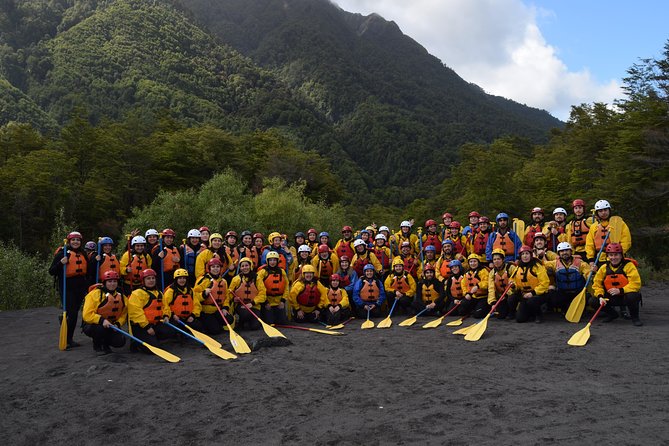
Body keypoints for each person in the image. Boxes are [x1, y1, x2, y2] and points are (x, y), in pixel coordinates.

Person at [49, 231, 89, 349]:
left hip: (80, 286)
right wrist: (61, 263)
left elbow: (88, 269)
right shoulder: (63, 253)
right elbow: (51, 271)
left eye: (78, 240)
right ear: (69, 241)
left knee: (75, 312)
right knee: (71, 313)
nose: (76, 242)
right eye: (73, 240)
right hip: (67, 286)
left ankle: (69, 335)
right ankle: (68, 339)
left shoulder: (83, 253)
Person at [590, 243, 643, 326]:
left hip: (624, 296)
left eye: (616, 255)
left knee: (633, 296)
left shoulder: (629, 266)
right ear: (607, 256)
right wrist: (600, 296)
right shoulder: (604, 267)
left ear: (621, 255)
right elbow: (597, 284)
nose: (613, 258)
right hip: (610, 297)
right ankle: (613, 314)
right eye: (611, 255)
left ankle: (635, 317)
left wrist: (620, 290)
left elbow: (635, 283)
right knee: (593, 301)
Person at [81, 270, 127, 354]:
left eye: (114, 281)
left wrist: (118, 324)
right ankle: (97, 346)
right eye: (109, 281)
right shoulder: (94, 295)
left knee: (120, 341)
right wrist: (102, 320)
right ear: (104, 282)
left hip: (112, 325)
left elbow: (124, 314)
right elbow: (87, 315)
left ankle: (106, 344)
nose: (112, 284)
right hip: (93, 325)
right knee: (100, 329)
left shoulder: (122, 297)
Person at [127, 269, 173, 351]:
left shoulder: (159, 293)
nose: (151, 280)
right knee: (152, 349)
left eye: (153, 278)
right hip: (140, 326)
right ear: (143, 281)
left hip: (155, 323)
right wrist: (147, 326)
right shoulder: (137, 294)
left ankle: (152, 339)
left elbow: (165, 306)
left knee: (169, 332)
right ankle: (137, 343)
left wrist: (166, 315)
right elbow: (136, 313)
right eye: (148, 279)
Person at [507, 246, 550, 323]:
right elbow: (512, 280)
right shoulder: (518, 267)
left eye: (527, 253)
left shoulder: (537, 266)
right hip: (524, 294)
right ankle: (513, 313)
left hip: (538, 294)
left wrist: (533, 293)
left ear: (530, 255)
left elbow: (545, 283)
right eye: (523, 254)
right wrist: (513, 286)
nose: (525, 256)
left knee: (532, 301)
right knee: (520, 318)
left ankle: (538, 315)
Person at [544, 242, 590, 314]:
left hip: (577, 293)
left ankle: (578, 308)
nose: (564, 253)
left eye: (566, 250)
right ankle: (564, 308)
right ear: (559, 253)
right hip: (563, 292)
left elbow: (588, 273)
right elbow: (542, 264)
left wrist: (591, 273)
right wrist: (540, 256)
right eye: (562, 251)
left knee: (588, 297)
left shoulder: (581, 263)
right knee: (551, 293)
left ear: (571, 251)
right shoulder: (555, 263)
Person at [195, 258, 235, 334]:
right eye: (213, 267)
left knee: (230, 319)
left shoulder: (223, 281)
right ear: (209, 269)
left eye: (217, 267)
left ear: (220, 268)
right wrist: (204, 293)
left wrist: (225, 308)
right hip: (206, 311)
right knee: (215, 331)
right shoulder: (204, 280)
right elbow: (195, 296)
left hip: (218, 309)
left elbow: (226, 297)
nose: (215, 269)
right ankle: (205, 324)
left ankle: (215, 323)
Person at [586, 199, 632, 264]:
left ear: (609, 211)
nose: (603, 213)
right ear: (597, 213)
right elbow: (589, 244)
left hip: (617, 259)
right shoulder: (594, 227)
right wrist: (591, 259)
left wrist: (618, 255)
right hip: (599, 259)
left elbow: (626, 241)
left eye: (605, 210)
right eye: (600, 211)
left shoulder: (619, 223)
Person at [228, 257, 266, 331]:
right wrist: (233, 298)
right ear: (240, 268)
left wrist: (252, 303)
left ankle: (249, 322)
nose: (244, 268)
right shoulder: (236, 279)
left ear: (250, 266)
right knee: (246, 314)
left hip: (254, 305)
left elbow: (263, 294)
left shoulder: (257, 279)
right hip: (241, 305)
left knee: (255, 327)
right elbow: (229, 293)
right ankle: (242, 322)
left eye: (246, 265)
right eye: (242, 266)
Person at [256, 254, 289, 325]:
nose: (272, 262)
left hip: (279, 301)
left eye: (274, 260)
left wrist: (283, 301)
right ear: (267, 261)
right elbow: (259, 288)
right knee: (269, 321)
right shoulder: (263, 272)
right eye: (270, 260)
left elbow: (286, 287)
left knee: (282, 322)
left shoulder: (282, 271)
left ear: (277, 261)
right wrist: (265, 302)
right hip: (267, 301)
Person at [487, 249, 517, 319]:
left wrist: (507, 295)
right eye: (494, 259)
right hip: (501, 296)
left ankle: (512, 312)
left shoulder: (511, 268)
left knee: (511, 299)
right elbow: (491, 288)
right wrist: (493, 302)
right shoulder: (492, 273)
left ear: (503, 259)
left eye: (498, 259)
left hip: (512, 293)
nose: (496, 261)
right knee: (500, 316)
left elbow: (516, 283)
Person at [459, 254, 490, 319]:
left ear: (478, 262)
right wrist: (466, 293)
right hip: (473, 297)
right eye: (471, 262)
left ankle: (484, 309)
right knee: (461, 311)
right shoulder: (467, 272)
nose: (473, 263)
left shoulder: (483, 271)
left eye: (475, 261)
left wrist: (478, 286)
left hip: (483, 297)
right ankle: (474, 309)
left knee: (478, 315)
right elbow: (463, 284)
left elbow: (487, 282)